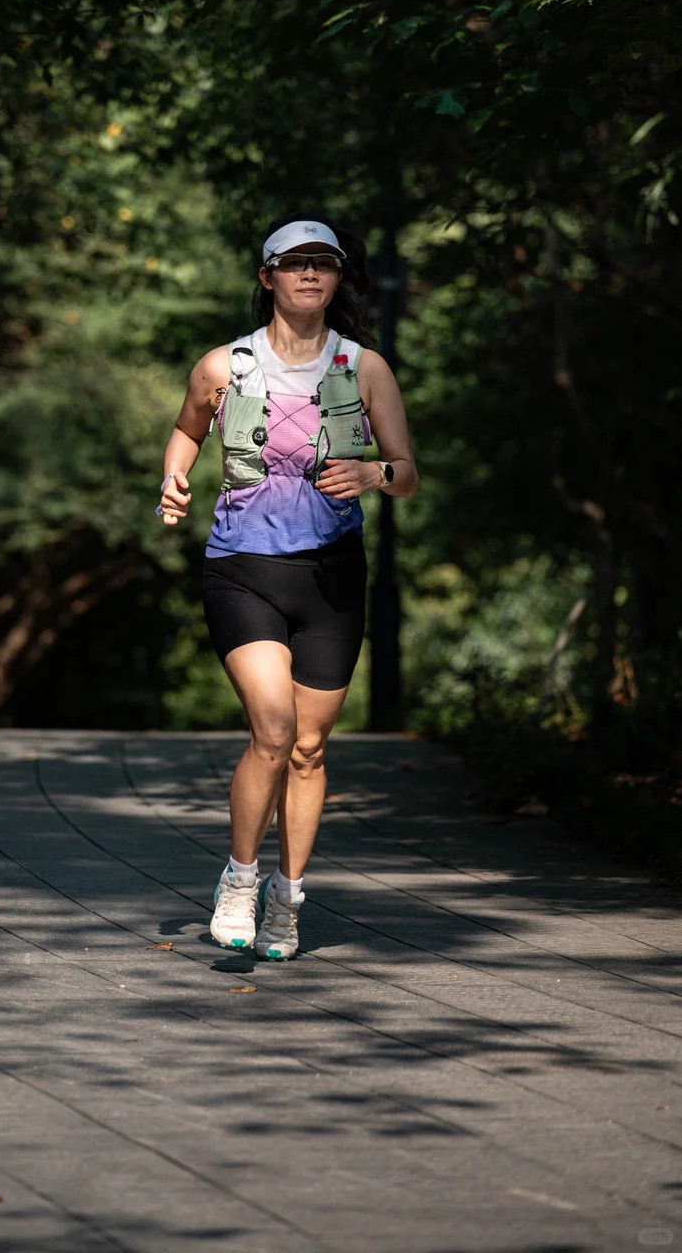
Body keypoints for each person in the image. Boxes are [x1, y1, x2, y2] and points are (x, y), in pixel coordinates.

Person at [159, 215, 418, 960]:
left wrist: (374, 472)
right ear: (266, 277)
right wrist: (173, 479)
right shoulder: (222, 367)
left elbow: (407, 472)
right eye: (293, 262)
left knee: (307, 747)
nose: (310, 273)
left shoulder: (363, 368)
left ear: (337, 279)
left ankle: (286, 898)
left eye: (324, 263)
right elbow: (185, 431)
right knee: (271, 728)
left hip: (331, 575)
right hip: (241, 567)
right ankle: (239, 879)